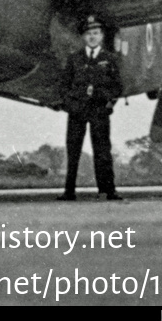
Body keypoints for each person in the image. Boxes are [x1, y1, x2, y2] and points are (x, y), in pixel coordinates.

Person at [57, 15, 122, 201]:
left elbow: (117, 86)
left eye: (95, 33)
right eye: (88, 34)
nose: (92, 37)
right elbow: (64, 85)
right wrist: (69, 105)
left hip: (99, 110)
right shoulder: (74, 59)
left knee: (102, 152)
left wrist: (109, 105)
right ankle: (69, 192)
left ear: (101, 36)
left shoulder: (110, 59)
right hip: (77, 111)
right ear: (84, 37)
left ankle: (107, 191)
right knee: (73, 152)